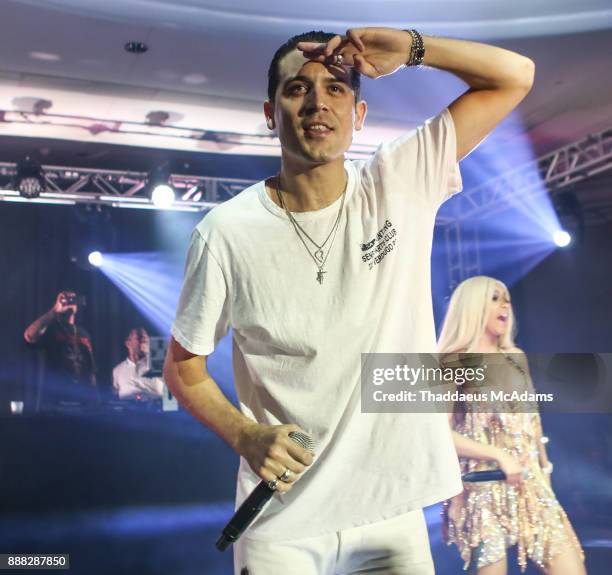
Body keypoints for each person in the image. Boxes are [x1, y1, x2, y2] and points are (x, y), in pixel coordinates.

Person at [164, 27, 535, 575]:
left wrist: (411, 48)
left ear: (358, 114)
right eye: (297, 88)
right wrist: (247, 435)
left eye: (336, 88)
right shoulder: (225, 233)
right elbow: (183, 368)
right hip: (281, 523)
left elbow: (514, 76)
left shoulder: (398, 181)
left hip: (392, 513)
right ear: (271, 112)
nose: (318, 102)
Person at [438, 276, 586, 574]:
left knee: (572, 567)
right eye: (495, 298)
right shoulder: (453, 361)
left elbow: (533, 424)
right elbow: (439, 435)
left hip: (531, 486)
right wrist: (499, 456)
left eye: (507, 298)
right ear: (474, 307)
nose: (506, 304)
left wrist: (545, 473)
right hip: (481, 488)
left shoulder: (516, 358)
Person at [24, 290, 97, 405]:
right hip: (57, 398)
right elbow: (29, 336)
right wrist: (54, 310)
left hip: (83, 398)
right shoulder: (52, 329)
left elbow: (91, 370)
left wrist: (94, 399)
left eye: (73, 299)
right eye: (66, 299)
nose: (70, 302)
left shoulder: (84, 333)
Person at [112, 327, 164, 401]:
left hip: (152, 409)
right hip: (127, 410)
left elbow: (170, 393)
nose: (143, 342)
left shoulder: (156, 363)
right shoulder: (117, 370)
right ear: (128, 343)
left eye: (145, 339)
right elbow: (115, 395)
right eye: (139, 338)